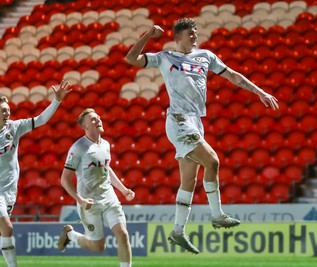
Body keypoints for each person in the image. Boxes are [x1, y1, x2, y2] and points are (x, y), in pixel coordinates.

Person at [125, 18, 279, 254]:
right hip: (178, 119)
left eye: (196, 32)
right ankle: (217, 215)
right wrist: (148, 36)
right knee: (213, 161)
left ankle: (178, 231)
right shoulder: (165, 57)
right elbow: (131, 59)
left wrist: (259, 91)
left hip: (196, 121)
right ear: (178, 37)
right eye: (189, 33)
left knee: (189, 181)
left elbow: (233, 76)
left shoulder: (205, 56)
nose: (195, 36)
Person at [0, 80, 71, 267]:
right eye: (3, 110)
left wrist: (56, 101)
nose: (7, 113)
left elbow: (40, 120)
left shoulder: (14, 128)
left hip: (9, 190)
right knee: (7, 227)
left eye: (7, 109)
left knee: (3, 231)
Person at [57, 108, 135, 267]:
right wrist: (80, 200)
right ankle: (70, 234)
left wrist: (123, 189)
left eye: (98, 117)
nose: (98, 120)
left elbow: (106, 169)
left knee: (123, 234)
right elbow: (64, 179)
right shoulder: (78, 148)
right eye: (92, 119)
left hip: (109, 198)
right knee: (99, 247)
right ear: (85, 127)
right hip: (89, 202)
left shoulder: (106, 145)